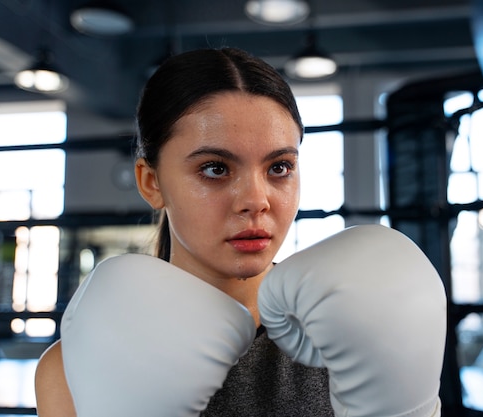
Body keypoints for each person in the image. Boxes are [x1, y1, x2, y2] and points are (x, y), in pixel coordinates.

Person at [34, 47, 446, 417]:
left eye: (279, 167)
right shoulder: (75, 367)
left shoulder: (357, 327)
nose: (256, 199)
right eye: (215, 168)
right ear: (151, 183)